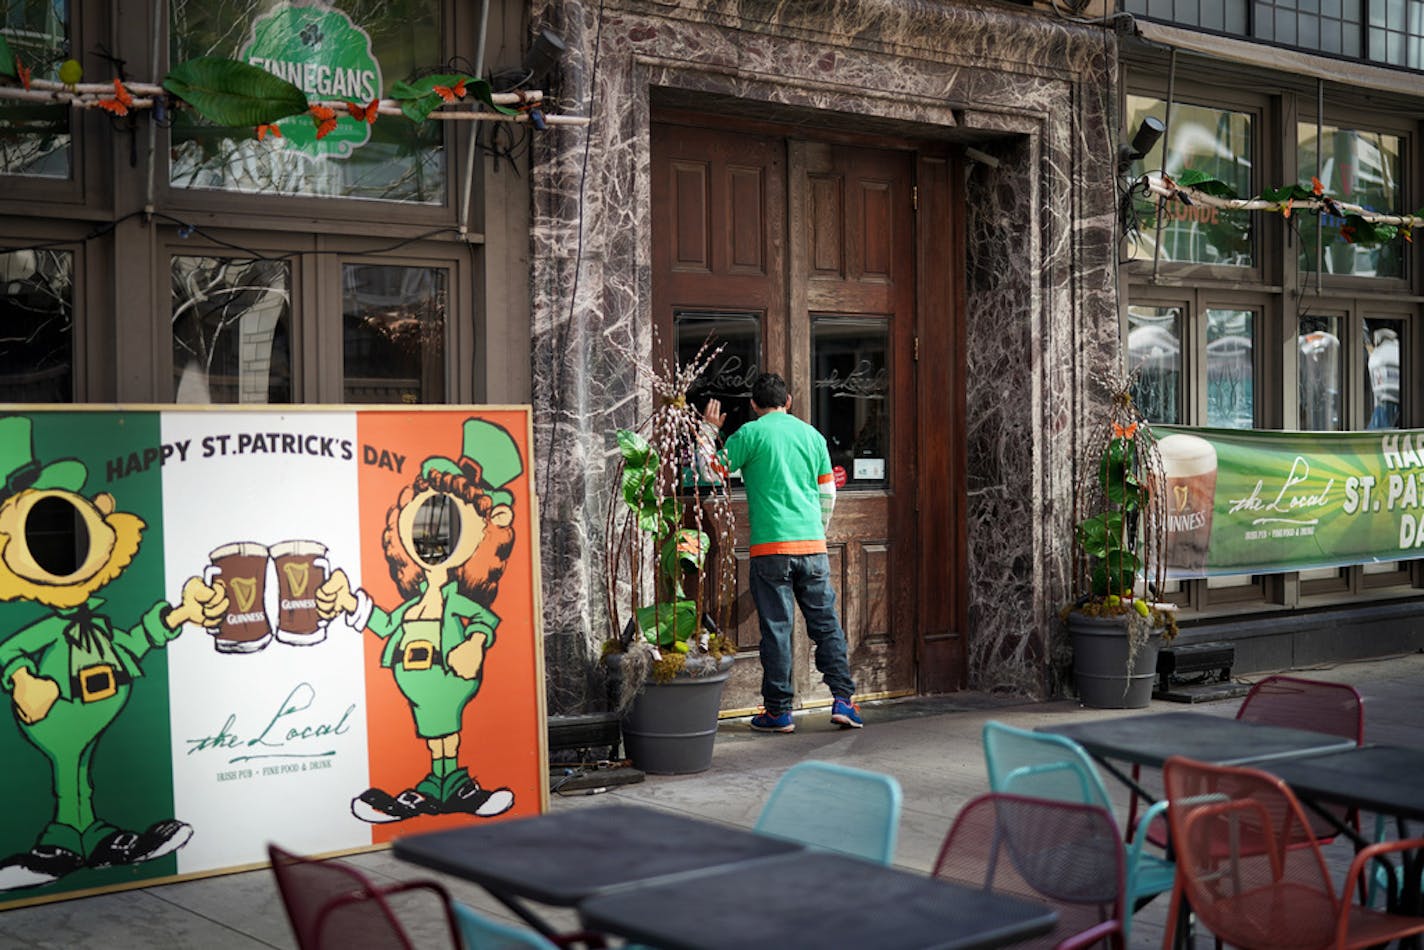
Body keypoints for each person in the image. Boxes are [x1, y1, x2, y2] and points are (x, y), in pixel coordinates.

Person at [701, 372, 861, 733]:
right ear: (788, 401)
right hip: (812, 547)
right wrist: (816, 533)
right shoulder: (813, 436)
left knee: (776, 629)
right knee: (826, 626)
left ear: (754, 406)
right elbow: (827, 495)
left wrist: (709, 432)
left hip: (771, 549)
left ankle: (778, 712)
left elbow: (711, 474)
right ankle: (843, 701)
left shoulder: (750, 434)